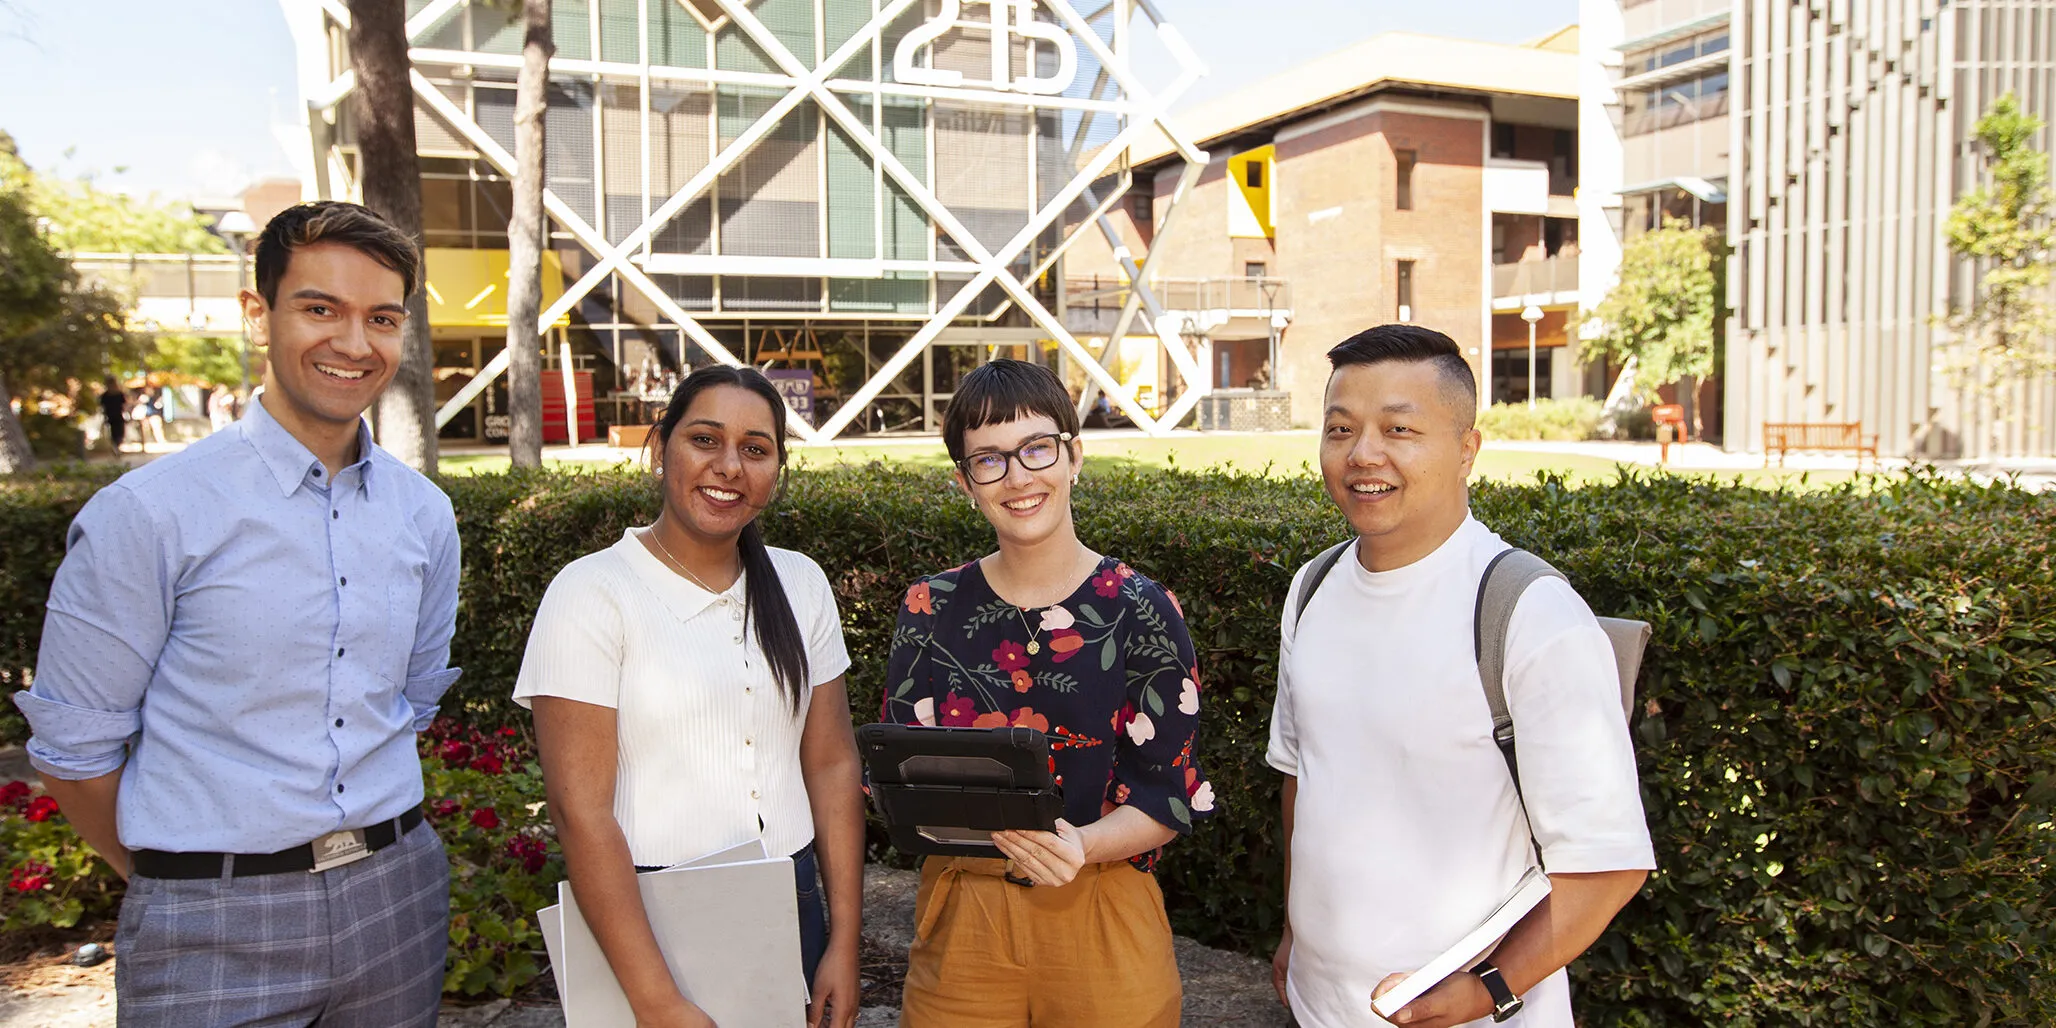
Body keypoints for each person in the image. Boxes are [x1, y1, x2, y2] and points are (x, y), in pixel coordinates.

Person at [13, 201, 462, 1027]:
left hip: (397, 896)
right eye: (320, 308)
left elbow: (410, 702)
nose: (354, 344)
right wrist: (186, 875)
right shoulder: (149, 514)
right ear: (257, 313)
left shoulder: (424, 515)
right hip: (209, 920)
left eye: (382, 318)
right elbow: (74, 753)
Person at [1267, 325, 1654, 1028]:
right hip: (1319, 1007)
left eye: (1399, 428)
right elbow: (1304, 774)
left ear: (1467, 449)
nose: (1363, 454)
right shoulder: (1312, 587)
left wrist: (1485, 994)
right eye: (1339, 428)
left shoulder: (1529, 612)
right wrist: (1298, 937)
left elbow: (1608, 863)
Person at [515, 365, 866, 1028]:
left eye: (756, 449)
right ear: (660, 450)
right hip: (645, 913)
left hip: (793, 904)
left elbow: (831, 765)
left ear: (777, 470)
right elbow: (579, 810)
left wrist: (843, 940)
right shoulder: (591, 594)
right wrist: (656, 1001)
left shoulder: (802, 584)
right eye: (705, 440)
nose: (730, 466)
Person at [879, 359, 1213, 1027]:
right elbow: (899, 775)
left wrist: (1081, 846)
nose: (1020, 476)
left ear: (1074, 456)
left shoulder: (1142, 609)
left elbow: (1166, 793)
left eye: (1038, 448)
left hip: (1102, 908)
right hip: (964, 913)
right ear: (965, 482)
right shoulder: (930, 606)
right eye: (989, 460)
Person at [95, 377, 125, 455]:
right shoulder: (116, 394)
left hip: (112, 416)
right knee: (117, 433)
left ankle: (116, 446)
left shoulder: (107, 395)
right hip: (115, 416)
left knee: (116, 433)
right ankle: (116, 446)